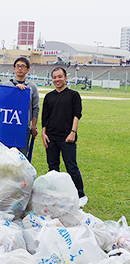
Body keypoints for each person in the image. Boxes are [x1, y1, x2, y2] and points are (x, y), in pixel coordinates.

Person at [42, 67, 86, 200]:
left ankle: (80, 195)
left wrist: (73, 132)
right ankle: (55, 195)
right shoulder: (49, 97)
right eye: (55, 77)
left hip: (67, 138)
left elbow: (77, 114)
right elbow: (45, 117)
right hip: (51, 137)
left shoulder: (73, 95)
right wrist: (44, 134)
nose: (57, 79)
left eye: (60, 77)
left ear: (66, 78)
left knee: (71, 167)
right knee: (53, 168)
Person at [3, 57, 39, 159]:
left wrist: (33, 126)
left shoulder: (32, 87)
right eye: (18, 66)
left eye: (23, 66)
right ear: (14, 69)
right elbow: (1, 102)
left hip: (24, 127)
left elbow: (35, 108)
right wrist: (15, 89)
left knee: (21, 157)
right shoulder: (6, 84)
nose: (20, 68)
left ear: (27, 70)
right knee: (5, 155)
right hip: (7, 126)